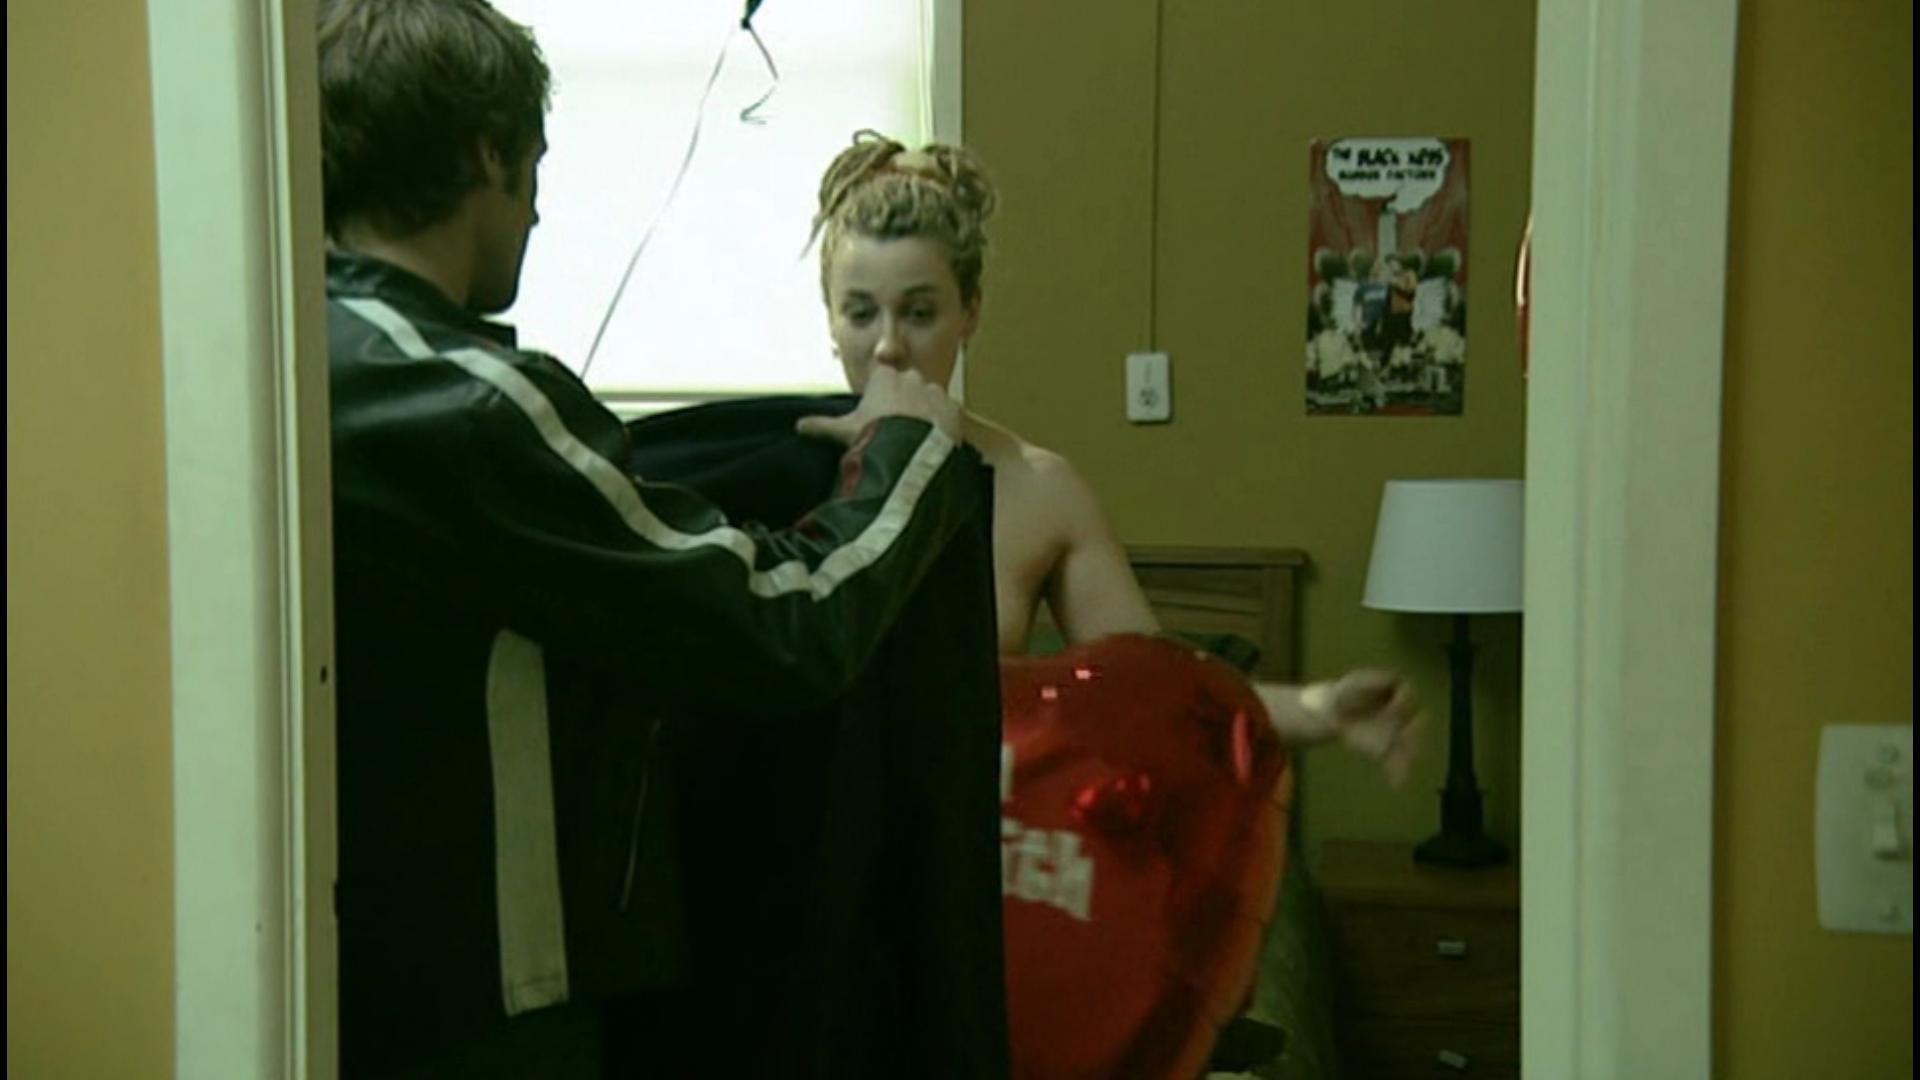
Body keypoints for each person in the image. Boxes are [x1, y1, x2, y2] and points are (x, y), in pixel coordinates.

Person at [317, 5, 993, 1075]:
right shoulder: (467, 404)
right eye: (536, 168)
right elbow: (783, 625)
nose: (540, 212)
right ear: (490, 154)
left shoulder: (292, 356)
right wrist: (914, 451)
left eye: (918, 310)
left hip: (335, 972)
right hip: (485, 1004)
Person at [806, 131, 1423, 775]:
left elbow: (1152, 684)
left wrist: (1320, 709)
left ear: (970, 313)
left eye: (918, 312)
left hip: (967, 824)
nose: (888, 345)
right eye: (861, 314)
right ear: (831, 320)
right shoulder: (773, 470)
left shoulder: (1036, 488)